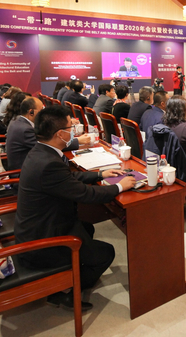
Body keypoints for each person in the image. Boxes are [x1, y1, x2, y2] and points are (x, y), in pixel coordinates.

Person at [14, 105, 138, 309]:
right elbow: (85, 194)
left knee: (87, 227)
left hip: (41, 225)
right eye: (70, 128)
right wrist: (119, 186)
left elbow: (68, 178)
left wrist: (100, 174)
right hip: (42, 241)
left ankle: (77, 267)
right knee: (106, 253)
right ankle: (67, 292)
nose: (73, 132)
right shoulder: (48, 163)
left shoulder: (41, 152)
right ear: (60, 134)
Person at [6, 97, 93, 171]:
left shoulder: (19, 120)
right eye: (41, 110)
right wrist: (78, 141)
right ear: (31, 112)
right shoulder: (25, 130)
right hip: (24, 172)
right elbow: (50, 144)